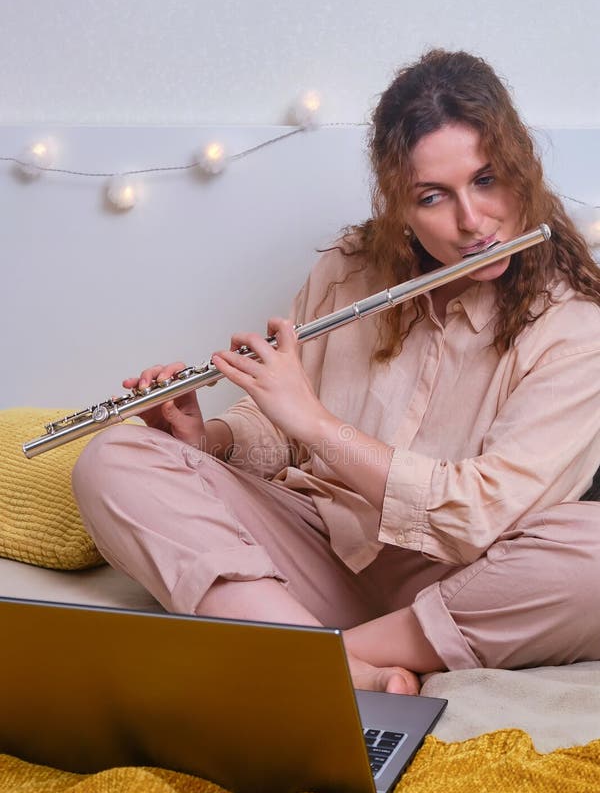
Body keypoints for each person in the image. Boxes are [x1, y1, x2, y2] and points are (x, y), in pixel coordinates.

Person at [72, 49, 600, 695]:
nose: (471, 222)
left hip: (457, 588)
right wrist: (209, 440)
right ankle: (314, 654)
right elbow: (282, 426)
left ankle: (312, 660)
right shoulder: (352, 269)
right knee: (112, 458)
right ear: (400, 206)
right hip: (318, 547)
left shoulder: (578, 324)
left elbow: (481, 516)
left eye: (487, 181)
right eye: (433, 197)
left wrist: (320, 426)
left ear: (522, 166)